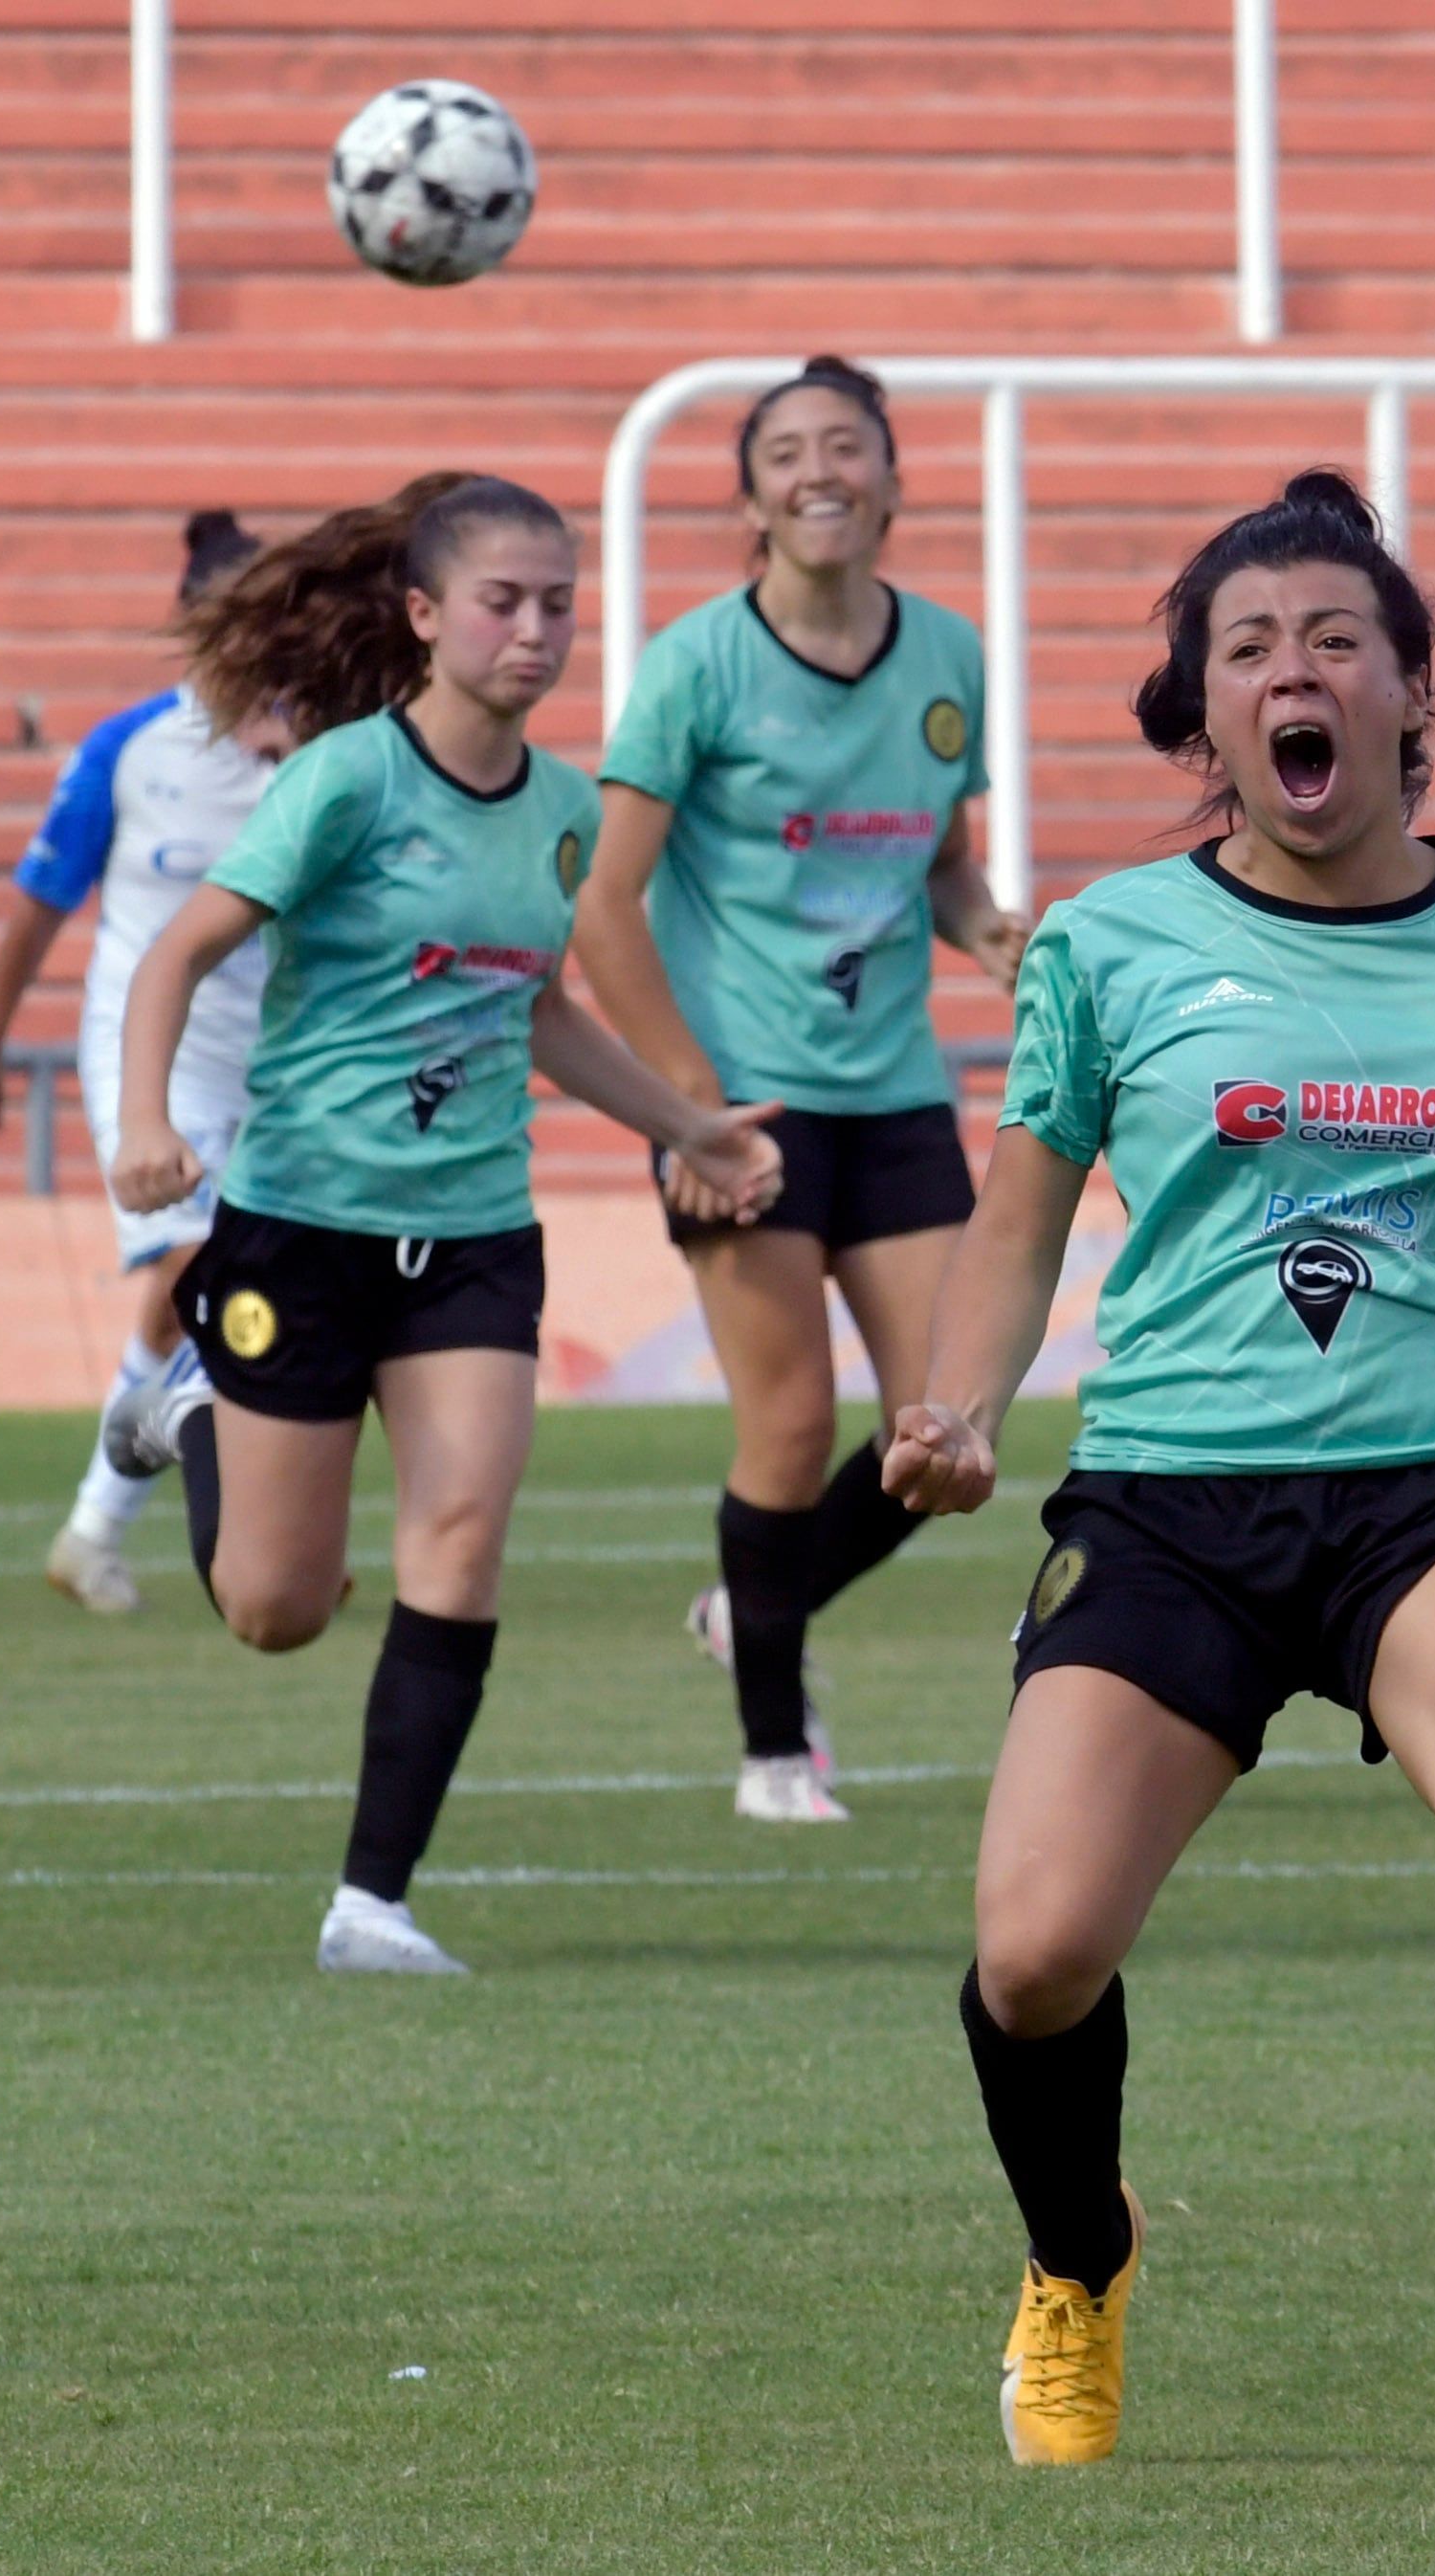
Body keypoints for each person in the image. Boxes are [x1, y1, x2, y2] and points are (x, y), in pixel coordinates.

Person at [882, 471, 1435, 2468]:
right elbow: (1019, 1222)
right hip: (1174, 1499)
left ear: (1413, 690)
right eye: (1252, 648)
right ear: (1206, 717)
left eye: (1335, 640)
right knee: (1031, 1953)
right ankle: (1080, 2257)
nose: (1297, 673)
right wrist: (959, 1403)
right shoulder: (1106, 945)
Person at [98, 473, 784, 1976]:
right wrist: (147, 1126)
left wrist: (692, 1126)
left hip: (471, 1235)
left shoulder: (560, 814)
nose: (537, 630)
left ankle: (372, 1902)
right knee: (275, 1610)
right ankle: (188, 1405)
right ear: (423, 615)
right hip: (299, 1228)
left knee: (461, 1536)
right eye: (504, 600)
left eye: (559, 604)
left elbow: (534, 1007)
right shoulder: (348, 781)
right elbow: (177, 956)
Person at [569, 357, 1026, 1824]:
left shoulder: (947, 652)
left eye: (848, 446)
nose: (820, 470)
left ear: (893, 481)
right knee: (780, 1427)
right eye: (787, 452)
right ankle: (775, 1750)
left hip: (894, 1091)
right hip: (740, 1103)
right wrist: (689, 1106)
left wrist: (992, 928)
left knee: (945, 1433)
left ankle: (746, 1607)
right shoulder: (698, 664)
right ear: (754, 495)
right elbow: (605, 906)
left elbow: (939, 867)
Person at [0, 510, 285, 1614]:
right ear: (191, 626)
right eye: (228, 619)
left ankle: (155, 1519)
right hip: (150, 1053)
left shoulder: (318, 752)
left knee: (258, 1293)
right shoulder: (130, 751)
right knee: (195, 1275)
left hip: (275, 1059)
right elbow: (41, 902)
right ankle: (131, 1524)